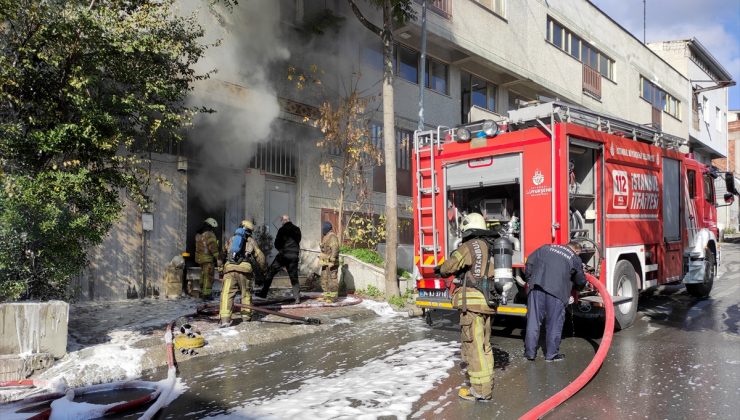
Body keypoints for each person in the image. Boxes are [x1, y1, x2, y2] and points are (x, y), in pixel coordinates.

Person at [435, 213, 496, 402]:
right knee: (485, 346)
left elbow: (449, 266)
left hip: (472, 304)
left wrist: (442, 267)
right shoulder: (489, 246)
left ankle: (480, 391)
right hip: (487, 303)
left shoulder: (470, 246)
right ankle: (486, 385)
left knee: (473, 347)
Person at [523, 242, 586, 362]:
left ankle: (530, 354)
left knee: (533, 322)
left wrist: (528, 279)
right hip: (557, 292)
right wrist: (576, 289)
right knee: (554, 324)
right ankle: (551, 355)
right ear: (576, 251)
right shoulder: (574, 257)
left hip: (536, 287)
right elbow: (581, 280)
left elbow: (530, 262)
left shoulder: (546, 247)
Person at [219, 220, 266, 327]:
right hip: (245, 271)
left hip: (229, 270)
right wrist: (264, 270)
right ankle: (246, 317)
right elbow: (260, 257)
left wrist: (221, 270)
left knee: (227, 294)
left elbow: (221, 256)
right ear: (250, 231)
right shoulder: (251, 241)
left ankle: (225, 320)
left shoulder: (231, 240)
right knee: (246, 294)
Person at [257, 215, 302, 303]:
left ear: (283, 221)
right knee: (294, 277)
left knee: (271, 272)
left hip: (284, 255)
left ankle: (263, 293)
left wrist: (281, 249)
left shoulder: (282, 230)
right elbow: (298, 240)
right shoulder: (297, 229)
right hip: (294, 255)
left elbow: (277, 243)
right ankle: (297, 298)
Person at [194, 217, 222, 299]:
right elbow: (213, 249)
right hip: (208, 260)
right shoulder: (210, 235)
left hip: (200, 260)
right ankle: (207, 295)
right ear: (211, 226)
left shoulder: (199, 235)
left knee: (203, 276)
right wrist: (218, 258)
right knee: (209, 277)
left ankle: (202, 292)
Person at [318, 221, 340, 302]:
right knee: (324, 279)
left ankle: (333, 298)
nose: (322, 230)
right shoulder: (326, 236)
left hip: (331, 262)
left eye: (323, 228)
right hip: (325, 261)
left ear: (326, 228)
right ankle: (327, 296)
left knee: (332, 281)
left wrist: (333, 260)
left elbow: (335, 248)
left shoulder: (332, 236)